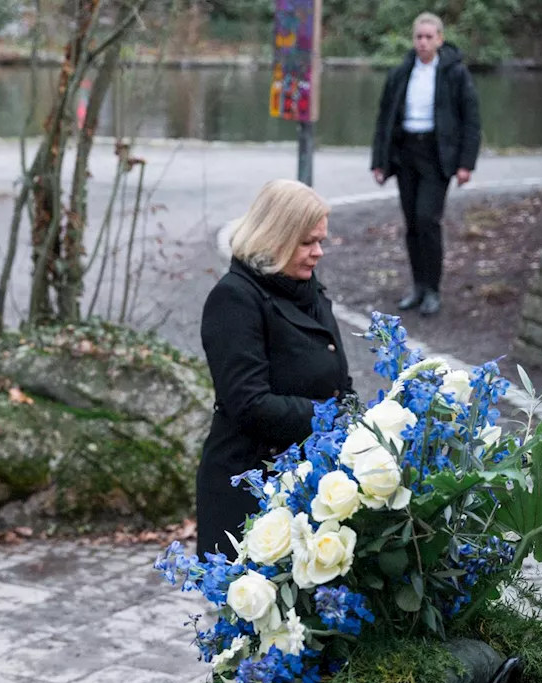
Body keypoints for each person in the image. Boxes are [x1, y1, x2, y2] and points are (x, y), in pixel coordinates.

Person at [196, 179, 354, 559]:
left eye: (321, 241)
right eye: (306, 242)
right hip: (249, 491)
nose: (318, 253)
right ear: (275, 237)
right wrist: (331, 418)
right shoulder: (234, 298)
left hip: (308, 485)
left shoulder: (307, 289)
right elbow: (248, 403)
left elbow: (337, 378)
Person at [371, 11, 482, 317]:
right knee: (411, 224)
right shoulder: (401, 72)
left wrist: (465, 164)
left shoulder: (455, 74)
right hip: (406, 152)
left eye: (429, 37)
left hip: (436, 155)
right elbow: (384, 119)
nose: (423, 42)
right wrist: (379, 161)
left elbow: (471, 120)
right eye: (418, 37)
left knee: (427, 220)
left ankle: (433, 289)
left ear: (440, 39)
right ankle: (418, 286)